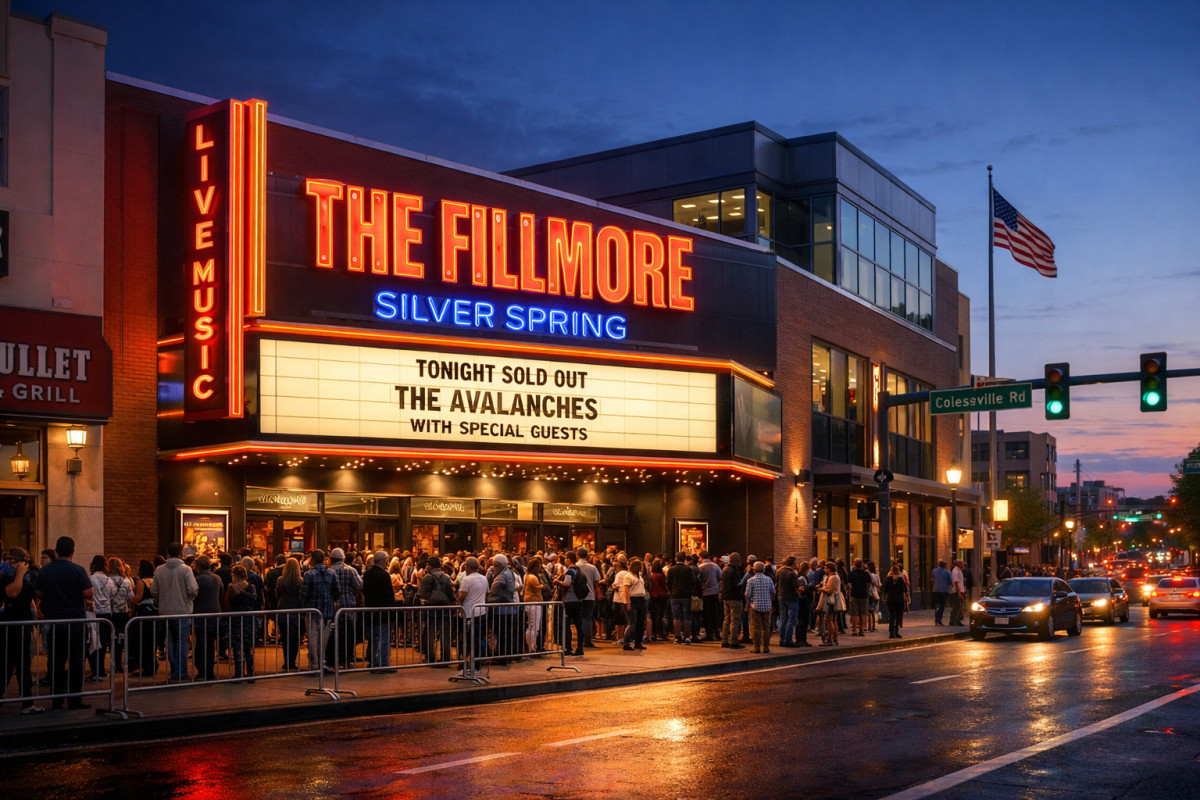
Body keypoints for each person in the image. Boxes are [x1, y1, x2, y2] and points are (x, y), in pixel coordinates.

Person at [35, 536, 95, 710]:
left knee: (56, 661)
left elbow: (38, 593)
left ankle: (57, 698)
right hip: (75, 621)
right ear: (72, 551)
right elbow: (88, 593)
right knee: (76, 661)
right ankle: (75, 698)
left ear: (56, 551)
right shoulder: (78, 570)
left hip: (54, 621)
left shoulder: (45, 571)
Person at [2, 547, 44, 713]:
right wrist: (19, 574)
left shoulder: (28, 578)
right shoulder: (7, 578)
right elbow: (12, 593)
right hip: (12, 627)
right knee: (8, 666)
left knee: (21, 667)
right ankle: (26, 703)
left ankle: (27, 703)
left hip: (22, 627)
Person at [152, 542, 198, 683]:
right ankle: (181, 672)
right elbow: (193, 589)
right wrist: (188, 599)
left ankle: (174, 671)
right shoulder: (186, 569)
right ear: (181, 554)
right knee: (182, 642)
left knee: (170, 642)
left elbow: (154, 591)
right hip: (182, 611)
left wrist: (161, 601)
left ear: (168, 554)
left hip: (165, 611)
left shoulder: (159, 570)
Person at [299, 550, 340, 671]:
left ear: (313, 559)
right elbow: (337, 592)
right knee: (324, 639)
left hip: (312, 611)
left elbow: (303, 593)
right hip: (327, 611)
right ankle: (322, 661)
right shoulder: (332, 573)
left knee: (312, 638)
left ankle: (314, 662)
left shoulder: (308, 574)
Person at [327, 548, 363, 668]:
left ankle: (333, 660)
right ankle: (346, 659)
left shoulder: (329, 571)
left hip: (334, 606)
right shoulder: (351, 570)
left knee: (333, 635)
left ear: (331, 559)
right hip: (348, 606)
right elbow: (359, 586)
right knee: (348, 635)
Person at [418, 555, 456, 665]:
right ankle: (446, 657)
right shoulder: (446, 577)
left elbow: (423, 594)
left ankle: (431, 656)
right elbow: (450, 593)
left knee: (430, 634)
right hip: (445, 608)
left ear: (430, 566)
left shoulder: (427, 578)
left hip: (431, 609)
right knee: (445, 634)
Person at [361, 550, 395, 671]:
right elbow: (389, 594)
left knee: (374, 636)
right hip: (383, 609)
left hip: (371, 608)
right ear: (384, 560)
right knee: (384, 637)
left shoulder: (367, 574)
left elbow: (364, 590)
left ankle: (372, 659)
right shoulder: (384, 575)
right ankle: (382, 662)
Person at [224, 564, 260, 679]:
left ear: (234, 575)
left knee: (237, 648)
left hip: (236, 621)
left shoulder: (231, 589)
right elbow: (254, 599)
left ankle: (239, 674)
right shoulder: (251, 587)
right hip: (249, 620)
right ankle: (250, 673)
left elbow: (226, 603)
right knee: (248, 648)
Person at [192, 555, 223, 681]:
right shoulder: (217, 578)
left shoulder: (197, 580)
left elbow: (192, 595)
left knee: (201, 642)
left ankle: (202, 670)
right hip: (215, 613)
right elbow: (221, 594)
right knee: (211, 643)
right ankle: (210, 670)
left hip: (200, 614)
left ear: (198, 566)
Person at [456, 557, 489, 673]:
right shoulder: (484, 578)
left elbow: (462, 595)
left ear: (468, 567)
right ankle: (477, 663)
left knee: (469, 640)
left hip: (469, 613)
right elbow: (487, 594)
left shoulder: (466, 580)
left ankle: (470, 665)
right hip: (481, 612)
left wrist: (460, 608)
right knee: (479, 638)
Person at [127, 560, 159, 677]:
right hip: (154, 611)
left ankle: (145, 666)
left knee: (143, 640)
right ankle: (152, 665)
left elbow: (138, 598)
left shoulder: (141, 582)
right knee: (152, 640)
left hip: (144, 612)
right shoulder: (155, 580)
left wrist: (131, 599)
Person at [87, 555, 113, 680]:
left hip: (95, 612)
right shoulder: (109, 580)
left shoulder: (91, 578)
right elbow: (112, 594)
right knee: (103, 642)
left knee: (94, 641)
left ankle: (96, 670)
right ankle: (101, 669)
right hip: (107, 612)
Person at [557, 551, 586, 656]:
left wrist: (557, 581)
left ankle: (568, 648)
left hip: (569, 600)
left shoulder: (569, 571)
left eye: (565, 558)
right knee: (579, 625)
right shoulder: (578, 570)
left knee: (567, 624)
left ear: (569, 559)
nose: (565, 560)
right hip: (578, 600)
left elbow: (567, 584)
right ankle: (580, 648)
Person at [744, 561, 775, 654]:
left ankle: (756, 647)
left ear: (754, 570)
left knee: (756, 627)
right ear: (763, 570)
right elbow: (773, 592)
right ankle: (766, 647)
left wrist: (747, 605)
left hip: (755, 606)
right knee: (766, 627)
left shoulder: (750, 580)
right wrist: (771, 602)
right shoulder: (769, 579)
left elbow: (747, 594)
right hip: (767, 605)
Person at [666, 550, 695, 644]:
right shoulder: (688, 569)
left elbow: (668, 583)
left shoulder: (671, 569)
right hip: (686, 595)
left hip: (674, 595)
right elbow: (692, 582)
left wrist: (671, 590)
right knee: (687, 616)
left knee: (676, 616)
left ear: (676, 559)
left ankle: (677, 637)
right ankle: (686, 637)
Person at [620, 558, 648, 651]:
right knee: (632, 623)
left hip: (641, 599)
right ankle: (626, 642)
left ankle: (638, 642)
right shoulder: (628, 576)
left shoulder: (639, 575)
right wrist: (628, 603)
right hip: (632, 599)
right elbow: (626, 591)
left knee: (641, 623)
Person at [720, 552, 745, 649]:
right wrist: (744, 580)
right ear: (736, 561)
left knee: (726, 620)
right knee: (735, 620)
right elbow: (737, 584)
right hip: (734, 597)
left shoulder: (725, 569)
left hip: (726, 597)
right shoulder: (734, 571)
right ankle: (734, 641)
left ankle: (724, 640)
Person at [775, 556, 800, 647]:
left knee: (782, 619)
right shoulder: (792, 573)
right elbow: (796, 585)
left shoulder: (779, 572)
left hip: (781, 596)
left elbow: (776, 584)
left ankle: (782, 640)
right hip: (792, 597)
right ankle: (788, 640)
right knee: (791, 620)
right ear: (793, 563)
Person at [697, 550, 722, 641]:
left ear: (701, 557)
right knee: (714, 612)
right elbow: (720, 577)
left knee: (706, 614)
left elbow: (698, 579)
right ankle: (717, 632)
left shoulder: (700, 567)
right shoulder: (716, 566)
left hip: (705, 592)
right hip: (715, 592)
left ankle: (709, 634)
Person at [846, 559, 872, 636]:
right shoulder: (866, 574)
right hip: (864, 594)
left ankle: (854, 629)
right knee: (863, 613)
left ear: (854, 565)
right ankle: (862, 629)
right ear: (862, 565)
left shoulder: (851, 574)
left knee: (854, 613)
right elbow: (869, 583)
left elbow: (848, 584)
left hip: (854, 594)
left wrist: (848, 592)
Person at [882, 564, 909, 638]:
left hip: (890, 599)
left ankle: (891, 632)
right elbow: (905, 589)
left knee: (892, 615)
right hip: (899, 599)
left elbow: (885, 589)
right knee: (898, 616)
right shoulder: (900, 579)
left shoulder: (887, 579)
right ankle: (896, 631)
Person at [818, 562, 841, 646]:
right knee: (833, 620)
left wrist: (821, 589)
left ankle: (829, 639)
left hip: (831, 601)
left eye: (826, 568)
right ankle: (834, 639)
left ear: (829, 569)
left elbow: (830, 590)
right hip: (834, 600)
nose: (824, 570)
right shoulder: (835, 576)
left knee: (829, 620)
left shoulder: (832, 578)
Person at [931, 560, 952, 626]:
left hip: (936, 589)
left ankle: (936, 617)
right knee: (942, 605)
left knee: (937, 604)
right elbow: (949, 581)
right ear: (945, 565)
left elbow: (933, 579)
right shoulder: (947, 572)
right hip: (944, 590)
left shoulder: (934, 570)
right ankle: (938, 619)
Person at [949, 559, 966, 626]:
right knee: (957, 606)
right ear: (958, 564)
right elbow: (956, 582)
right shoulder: (956, 570)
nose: (963, 565)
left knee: (958, 607)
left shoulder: (958, 570)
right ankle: (954, 621)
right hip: (956, 592)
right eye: (962, 563)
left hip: (959, 591)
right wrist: (959, 592)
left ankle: (956, 620)